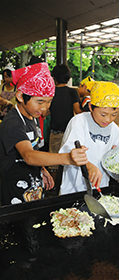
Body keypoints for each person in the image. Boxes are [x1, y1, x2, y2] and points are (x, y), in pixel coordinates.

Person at [0, 62, 88, 206]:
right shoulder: (13, 123)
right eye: (40, 101)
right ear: (21, 96)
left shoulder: (32, 116)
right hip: (15, 190)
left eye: (49, 102)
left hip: (34, 183)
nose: (44, 107)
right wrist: (67, 158)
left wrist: (42, 169)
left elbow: (34, 148)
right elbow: (29, 155)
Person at [59, 81, 119, 195]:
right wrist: (89, 166)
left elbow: (111, 157)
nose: (107, 120)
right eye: (103, 114)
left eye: (114, 115)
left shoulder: (114, 129)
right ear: (90, 107)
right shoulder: (79, 121)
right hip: (74, 188)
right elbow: (67, 152)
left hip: (100, 187)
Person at [48, 64, 83, 184]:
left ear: (54, 78)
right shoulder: (73, 92)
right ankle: (65, 183)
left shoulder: (52, 92)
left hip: (55, 131)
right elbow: (78, 111)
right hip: (69, 132)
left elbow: (45, 112)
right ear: (68, 78)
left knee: (53, 158)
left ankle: (52, 186)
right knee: (69, 158)